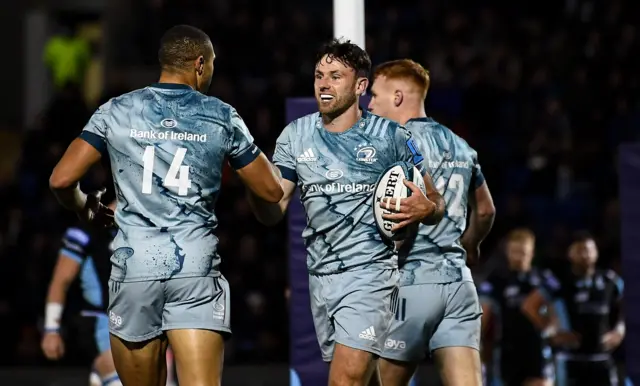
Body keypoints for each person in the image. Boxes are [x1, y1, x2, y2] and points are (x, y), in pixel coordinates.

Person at [49, 24, 284, 386]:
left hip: (133, 271)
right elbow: (270, 192)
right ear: (200, 64)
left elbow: (61, 180)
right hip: (194, 270)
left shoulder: (117, 110)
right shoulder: (221, 115)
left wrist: (84, 206)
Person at [248, 39, 445, 386]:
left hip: (371, 276)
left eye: (336, 76)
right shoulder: (296, 136)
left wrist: (426, 207)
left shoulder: (392, 137)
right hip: (321, 278)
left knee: (344, 381)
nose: (324, 83)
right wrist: (254, 190)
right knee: (364, 380)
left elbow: (435, 201)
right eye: (319, 75)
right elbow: (274, 210)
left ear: (360, 86)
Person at [368, 59, 495, 386]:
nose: (369, 104)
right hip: (459, 286)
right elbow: (485, 211)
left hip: (411, 281)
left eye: (375, 95)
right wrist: (471, 244)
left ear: (397, 97)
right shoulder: (461, 145)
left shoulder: (391, 142)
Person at [522, 232, 625, 386]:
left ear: (596, 253)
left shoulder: (610, 280)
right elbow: (529, 306)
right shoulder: (558, 280)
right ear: (570, 254)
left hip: (601, 358)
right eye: (579, 250)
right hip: (570, 359)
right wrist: (550, 332)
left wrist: (619, 330)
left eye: (589, 250)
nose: (585, 255)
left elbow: (624, 308)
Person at [478, 229, 555, 386]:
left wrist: (550, 329)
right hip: (507, 351)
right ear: (507, 252)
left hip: (537, 349)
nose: (518, 257)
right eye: (514, 251)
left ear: (532, 253)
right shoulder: (496, 281)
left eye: (523, 252)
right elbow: (482, 318)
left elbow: (557, 313)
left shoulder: (544, 279)